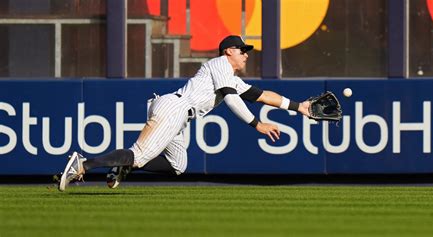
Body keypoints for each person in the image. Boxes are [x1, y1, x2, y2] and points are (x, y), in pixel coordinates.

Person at [58, 35, 312, 191]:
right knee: (138, 155)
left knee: (177, 165)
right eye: (241, 49)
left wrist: (298, 106)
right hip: (175, 108)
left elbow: (263, 95)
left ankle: (123, 168)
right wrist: (257, 124)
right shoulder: (220, 64)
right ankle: (83, 164)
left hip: (179, 116)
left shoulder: (232, 79)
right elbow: (233, 101)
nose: (245, 54)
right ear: (228, 51)